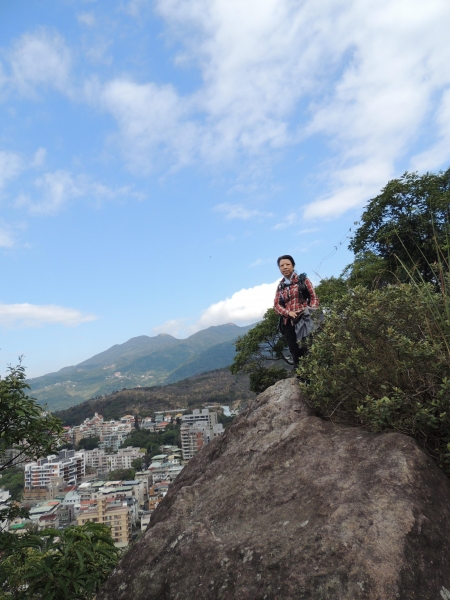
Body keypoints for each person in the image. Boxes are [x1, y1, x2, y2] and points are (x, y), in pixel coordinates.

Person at [273, 255, 319, 368]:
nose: (285, 267)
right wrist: (287, 313)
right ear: (279, 269)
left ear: (293, 266)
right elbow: (276, 305)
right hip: (289, 323)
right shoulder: (281, 286)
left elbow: (314, 297)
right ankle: (301, 379)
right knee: (295, 351)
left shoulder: (303, 280)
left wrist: (308, 311)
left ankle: (313, 379)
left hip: (304, 321)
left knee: (307, 348)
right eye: (282, 266)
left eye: (288, 264)